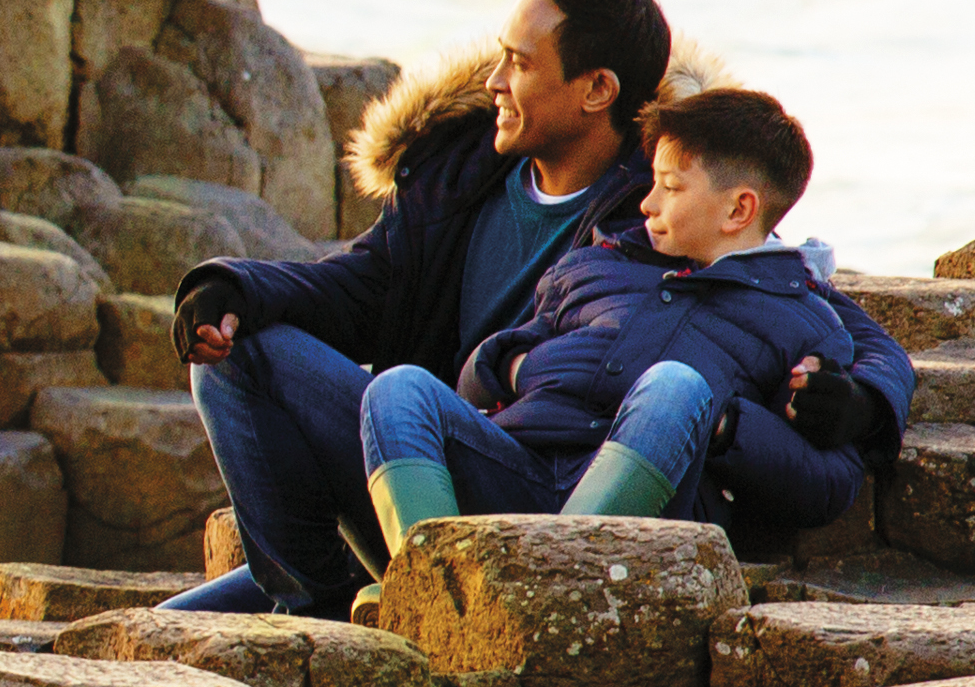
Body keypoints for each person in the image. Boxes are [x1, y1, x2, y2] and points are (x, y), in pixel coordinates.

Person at [160, 0, 671, 613]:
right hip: (404, 472)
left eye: (519, 64)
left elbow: (760, 306)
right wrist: (239, 289)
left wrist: (845, 395)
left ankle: (338, 610)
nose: (493, 81)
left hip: (528, 501)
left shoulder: (664, 212)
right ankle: (314, 601)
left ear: (597, 90)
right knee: (234, 348)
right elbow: (367, 286)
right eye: (500, 56)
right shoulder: (458, 167)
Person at [359, 84, 910, 555]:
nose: (645, 204)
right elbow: (479, 377)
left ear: (738, 210)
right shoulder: (596, 266)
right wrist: (517, 366)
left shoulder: (804, 320)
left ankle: (555, 572)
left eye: (670, 188)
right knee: (400, 388)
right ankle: (427, 579)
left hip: (646, 515)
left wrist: (724, 425)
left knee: (677, 385)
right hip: (519, 465)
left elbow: (828, 485)